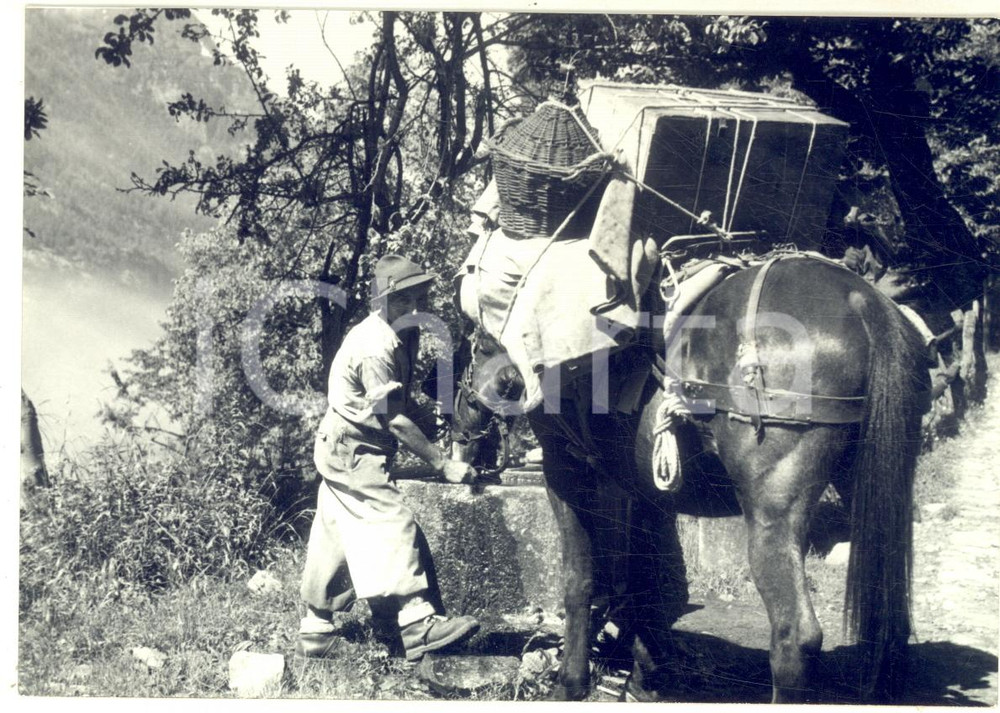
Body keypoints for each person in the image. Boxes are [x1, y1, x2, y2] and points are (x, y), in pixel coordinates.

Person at [298, 254, 480, 662]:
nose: (413, 310)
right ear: (380, 302)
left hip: (350, 439)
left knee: (334, 530)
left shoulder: (403, 332)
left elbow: (401, 401)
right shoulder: (373, 345)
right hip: (352, 444)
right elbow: (394, 419)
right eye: (402, 302)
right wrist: (442, 461)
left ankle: (315, 631)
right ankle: (418, 623)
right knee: (391, 518)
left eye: (418, 299)